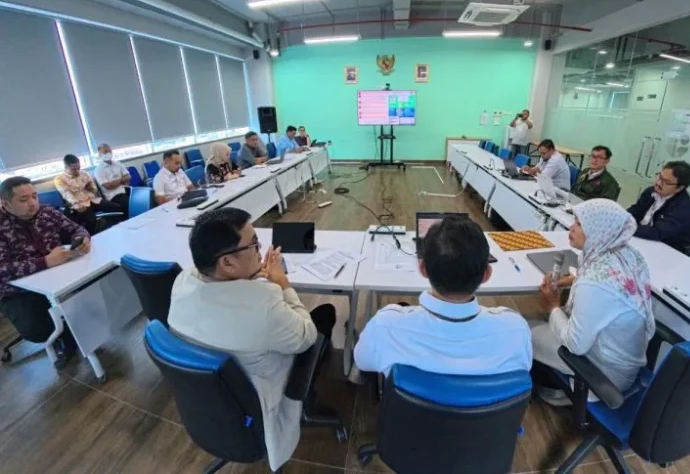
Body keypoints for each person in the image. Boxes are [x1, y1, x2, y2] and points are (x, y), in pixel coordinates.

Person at [168, 208, 336, 472]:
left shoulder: (182, 282)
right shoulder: (263, 302)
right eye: (254, 244)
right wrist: (282, 283)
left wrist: (247, 278)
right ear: (227, 263)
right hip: (260, 402)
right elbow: (306, 337)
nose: (260, 250)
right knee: (324, 315)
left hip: (208, 409)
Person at [354, 216, 532, 377]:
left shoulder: (386, 326)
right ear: (487, 274)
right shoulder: (516, 330)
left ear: (423, 269)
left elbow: (362, 362)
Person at [532, 199, 655, 406]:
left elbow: (575, 345)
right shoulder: (629, 254)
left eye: (580, 224)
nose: (571, 227)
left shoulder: (594, 284)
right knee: (549, 323)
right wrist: (571, 280)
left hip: (603, 377)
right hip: (625, 364)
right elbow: (609, 283)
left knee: (524, 331)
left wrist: (553, 306)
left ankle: (558, 390)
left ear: (599, 231)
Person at [0, 177, 90, 368]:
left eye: (35, 196)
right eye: (24, 199)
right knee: (38, 329)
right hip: (17, 291)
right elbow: (3, 269)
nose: (33, 203)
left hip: (57, 277)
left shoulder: (47, 212)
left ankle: (78, 334)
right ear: (6, 204)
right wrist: (46, 261)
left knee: (93, 291)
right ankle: (64, 337)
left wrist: (83, 239)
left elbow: (76, 229)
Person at [626, 161, 690, 254]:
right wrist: (620, 219)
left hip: (668, 249)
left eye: (666, 182)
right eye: (659, 177)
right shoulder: (650, 191)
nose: (658, 182)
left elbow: (657, 232)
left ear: (680, 188)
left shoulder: (683, 208)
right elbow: (636, 210)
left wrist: (627, 227)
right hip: (644, 239)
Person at [54, 154, 125, 234]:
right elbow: (66, 193)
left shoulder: (84, 173)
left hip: (92, 200)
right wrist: (76, 203)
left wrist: (92, 188)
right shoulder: (59, 179)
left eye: (78, 168)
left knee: (116, 207)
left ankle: (111, 229)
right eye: (74, 169)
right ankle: (90, 237)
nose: (77, 171)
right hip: (79, 205)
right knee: (91, 219)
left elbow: (93, 186)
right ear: (66, 167)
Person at [93, 144, 130, 215]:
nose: (108, 153)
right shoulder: (98, 170)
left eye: (109, 151)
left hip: (126, 190)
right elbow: (108, 186)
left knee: (146, 196)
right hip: (114, 196)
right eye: (105, 152)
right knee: (131, 203)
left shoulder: (118, 164)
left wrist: (115, 182)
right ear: (100, 154)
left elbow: (128, 177)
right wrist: (122, 180)